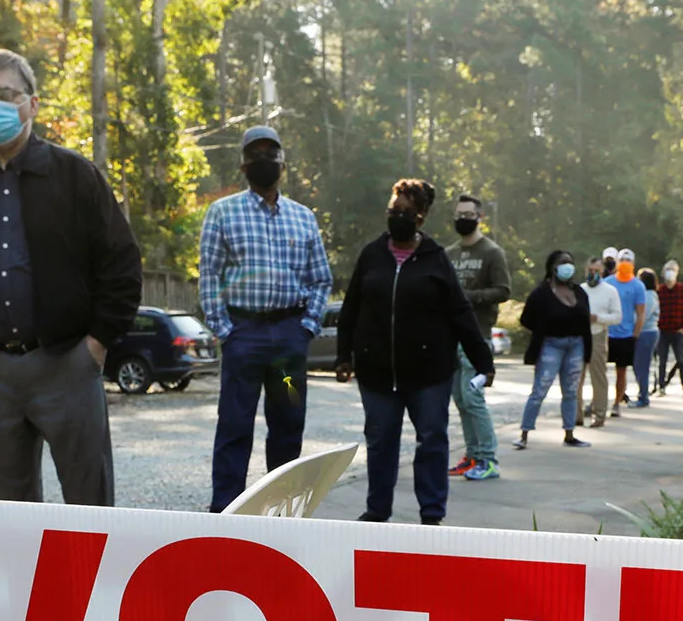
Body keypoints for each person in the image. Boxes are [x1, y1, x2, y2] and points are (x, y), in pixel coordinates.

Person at [0, 48, 140, 505]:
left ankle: (92, 579)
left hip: (67, 365)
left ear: (33, 103)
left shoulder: (75, 176)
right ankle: (18, 581)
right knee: (6, 511)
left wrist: (97, 345)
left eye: (6, 93)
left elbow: (122, 264)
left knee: (90, 504)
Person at [333, 180, 494, 525]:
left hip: (429, 374)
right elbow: (351, 308)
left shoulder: (436, 259)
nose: (398, 217)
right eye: (394, 211)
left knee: (432, 440)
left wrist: (483, 360)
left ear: (421, 218)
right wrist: (343, 354)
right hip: (377, 372)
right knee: (380, 443)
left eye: (407, 212)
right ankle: (377, 511)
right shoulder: (371, 255)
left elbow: (460, 313)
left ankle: (432, 515)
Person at [198, 125, 332, 511]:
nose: (263, 161)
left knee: (288, 426)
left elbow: (320, 279)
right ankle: (225, 511)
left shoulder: (303, 218)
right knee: (235, 426)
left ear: (282, 163)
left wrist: (306, 328)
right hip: (245, 337)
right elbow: (210, 276)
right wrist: (226, 331)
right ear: (243, 165)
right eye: (254, 155)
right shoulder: (223, 213)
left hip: (288, 342)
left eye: (270, 154)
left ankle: (283, 510)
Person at [444, 194, 510, 483]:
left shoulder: (492, 252)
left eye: (469, 213)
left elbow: (503, 290)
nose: (463, 218)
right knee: (459, 398)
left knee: (473, 398)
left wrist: (467, 298)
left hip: (478, 335)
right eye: (459, 213)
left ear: (479, 217)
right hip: (450, 336)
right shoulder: (449, 253)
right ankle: (471, 455)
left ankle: (488, 458)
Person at [513, 251, 592, 449]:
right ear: (552, 267)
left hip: (575, 345)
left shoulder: (579, 292)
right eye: (562, 262)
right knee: (540, 389)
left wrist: (587, 353)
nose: (567, 266)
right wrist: (542, 329)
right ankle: (524, 433)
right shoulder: (541, 293)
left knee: (571, 391)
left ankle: (569, 433)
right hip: (551, 345)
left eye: (570, 262)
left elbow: (585, 323)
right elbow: (526, 319)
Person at [607, 248, 648, 414]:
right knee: (598, 371)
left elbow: (641, 312)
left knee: (621, 371)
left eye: (628, 260)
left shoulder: (638, 286)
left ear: (633, 264)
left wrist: (635, 334)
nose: (625, 263)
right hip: (606, 333)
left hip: (625, 335)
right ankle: (598, 401)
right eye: (622, 260)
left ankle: (617, 402)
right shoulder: (608, 282)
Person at [581, 252, 620, 427]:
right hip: (580, 335)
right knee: (576, 376)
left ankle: (599, 414)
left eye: (597, 270)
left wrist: (599, 318)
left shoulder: (610, 291)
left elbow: (617, 316)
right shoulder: (580, 290)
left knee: (598, 376)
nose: (593, 273)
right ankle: (575, 415)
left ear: (602, 271)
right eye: (590, 270)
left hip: (598, 333)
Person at [653, 260, 683, 396]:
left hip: (678, 332)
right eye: (668, 270)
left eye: (673, 270)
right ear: (664, 272)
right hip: (663, 331)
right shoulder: (660, 290)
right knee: (662, 361)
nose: (670, 272)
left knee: (682, 361)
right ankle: (661, 387)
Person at [631, 265, 660, 407]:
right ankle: (642, 393)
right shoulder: (648, 294)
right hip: (645, 332)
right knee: (638, 365)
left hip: (646, 333)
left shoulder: (648, 296)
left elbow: (642, 316)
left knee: (641, 366)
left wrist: (632, 329)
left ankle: (643, 396)